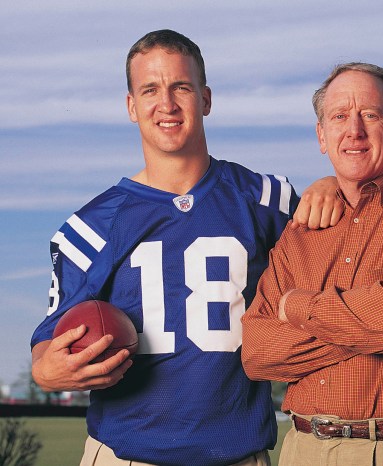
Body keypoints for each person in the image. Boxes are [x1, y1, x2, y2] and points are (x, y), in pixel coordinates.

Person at [30, 29, 342, 466]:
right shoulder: (92, 225)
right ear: (131, 106)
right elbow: (47, 344)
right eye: (150, 90)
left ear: (206, 98)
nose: (167, 104)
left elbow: (352, 237)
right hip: (127, 455)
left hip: (238, 454)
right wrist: (46, 370)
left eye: (181, 87)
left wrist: (334, 184)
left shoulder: (266, 199)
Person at [240, 62, 383, 466]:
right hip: (302, 448)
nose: (354, 130)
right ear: (322, 136)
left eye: (371, 115)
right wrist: (369, 322)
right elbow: (258, 352)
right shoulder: (301, 230)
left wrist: (297, 308)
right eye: (339, 116)